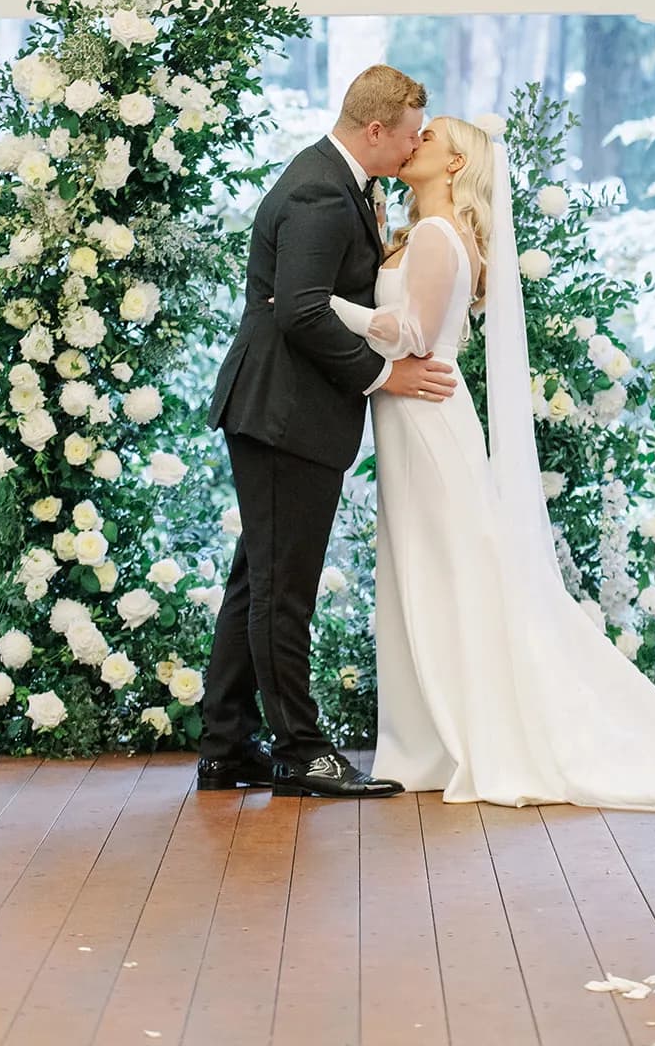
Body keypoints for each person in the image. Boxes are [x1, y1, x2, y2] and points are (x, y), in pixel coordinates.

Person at [328, 116, 655, 808]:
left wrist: (330, 309)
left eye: (428, 139)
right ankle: (432, 736)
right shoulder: (424, 232)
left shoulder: (438, 236)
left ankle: (459, 734)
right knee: (430, 568)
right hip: (414, 417)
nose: (414, 143)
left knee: (451, 568)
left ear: (457, 164)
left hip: (428, 418)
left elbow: (412, 336)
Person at [199, 66, 457, 800]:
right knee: (284, 591)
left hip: (285, 411)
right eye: (409, 136)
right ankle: (301, 753)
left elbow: (310, 303)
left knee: (259, 581)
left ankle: (225, 746)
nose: (412, 150)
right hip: (284, 413)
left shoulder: (339, 181)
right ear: (376, 131)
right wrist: (385, 376)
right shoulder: (319, 191)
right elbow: (301, 311)